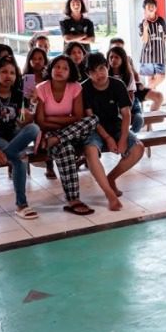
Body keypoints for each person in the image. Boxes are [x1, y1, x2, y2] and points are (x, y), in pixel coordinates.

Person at [0, 56, 40, 219]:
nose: (8, 76)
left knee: (34, 128)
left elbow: (24, 122)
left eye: (12, 72)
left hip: (12, 135)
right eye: (4, 72)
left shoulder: (18, 94)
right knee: (19, 159)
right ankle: (21, 205)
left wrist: (33, 102)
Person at [35, 55, 99, 215]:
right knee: (66, 149)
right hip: (49, 134)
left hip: (66, 133)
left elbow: (78, 117)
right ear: (50, 68)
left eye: (65, 68)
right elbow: (41, 122)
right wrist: (66, 122)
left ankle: (57, 139)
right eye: (57, 67)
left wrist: (54, 122)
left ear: (70, 72)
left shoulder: (75, 87)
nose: (60, 71)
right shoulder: (41, 88)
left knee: (93, 119)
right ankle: (73, 199)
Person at [81, 53, 145, 211]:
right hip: (94, 128)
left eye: (102, 69)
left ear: (107, 67)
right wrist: (108, 138)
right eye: (94, 71)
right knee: (90, 151)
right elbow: (91, 118)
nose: (99, 74)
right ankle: (110, 194)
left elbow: (126, 114)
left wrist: (123, 139)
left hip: (115, 126)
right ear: (88, 74)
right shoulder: (85, 88)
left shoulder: (118, 85)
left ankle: (111, 178)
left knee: (138, 148)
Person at [23, 46, 56, 181]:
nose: (37, 61)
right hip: (31, 112)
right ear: (29, 60)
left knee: (48, 127)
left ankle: (50, 166)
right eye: (34, 59)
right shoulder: (27, 78)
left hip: (49, 111)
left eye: (40, 59)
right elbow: (26, 101)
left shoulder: (49, 76)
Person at [107, 46, 144, 133]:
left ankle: (131, 135)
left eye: (116, 57)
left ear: (122, 59)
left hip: (129, 105)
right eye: (111, 57)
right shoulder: (107, 75)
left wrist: (126, 112)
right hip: (112, 106)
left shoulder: (128, 75)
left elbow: (131, 96)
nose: (113, 60)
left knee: (139, 120)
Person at [139, 0, 166, 89]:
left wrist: (161, 48)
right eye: (148, 6)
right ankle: (154, 101)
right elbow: (144, 40)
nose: (151, 8)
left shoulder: (161, 21)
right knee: (151, 80)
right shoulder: (142, 24)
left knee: (161, 77)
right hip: (147, 56)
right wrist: (145, 28)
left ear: (156, 8)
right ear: (145, 9)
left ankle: (144, 93)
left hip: (160, 55)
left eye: (152, 6)